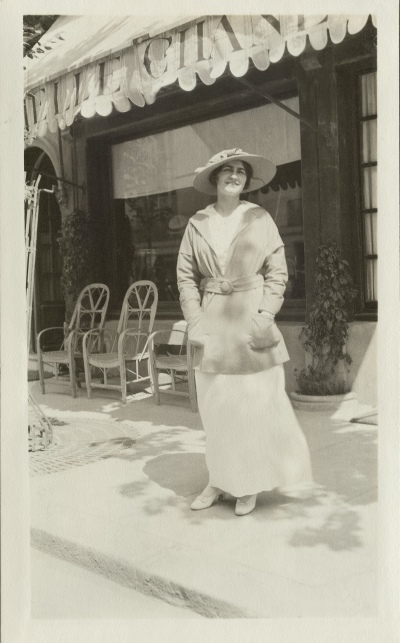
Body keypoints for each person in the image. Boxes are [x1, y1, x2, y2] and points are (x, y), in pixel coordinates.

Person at [177, 148, 313, 516]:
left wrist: (265, 313)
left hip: (250, 319)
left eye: (241, 171)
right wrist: (195, 321)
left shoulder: (259, 218)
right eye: (227, 170)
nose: (234, 175)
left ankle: (249, 484)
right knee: (217, 409)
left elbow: (278, 271)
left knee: (253, 407)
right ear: (215, 179)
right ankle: (218, 480)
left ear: (246, 181)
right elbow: (186, 277)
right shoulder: (196, 223)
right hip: (213, 325)